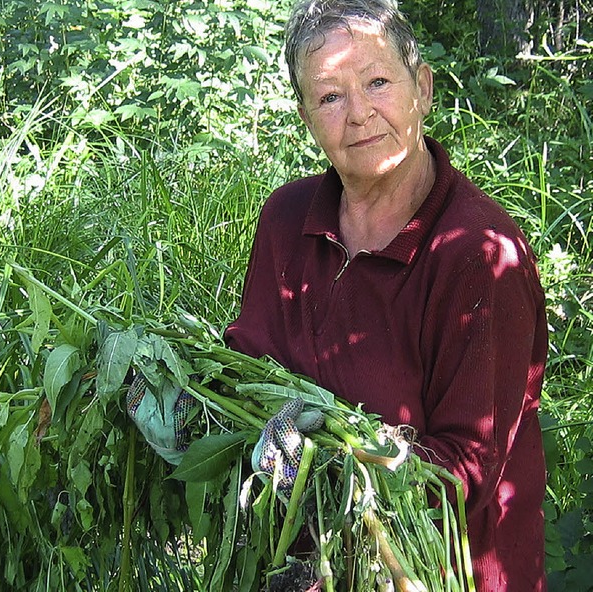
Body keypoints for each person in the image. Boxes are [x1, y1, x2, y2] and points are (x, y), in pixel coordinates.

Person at [224, 0, 548, 590]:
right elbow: (248, 369)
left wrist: (330, 469)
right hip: (306, 568)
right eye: (329, 96)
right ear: (304, 114)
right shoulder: (286, 219)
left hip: (440, 572)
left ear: (421, 88)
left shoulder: (478, 254)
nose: (358, 115)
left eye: (378, 82)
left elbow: (463, 472)